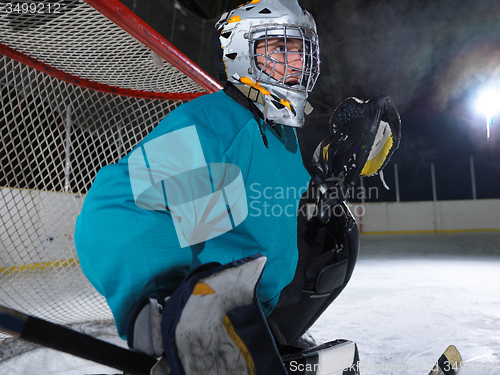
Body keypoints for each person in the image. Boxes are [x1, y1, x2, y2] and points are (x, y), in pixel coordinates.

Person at [75, 0, 400, 373]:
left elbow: (276, 210)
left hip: (260, 302)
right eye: (280, 49)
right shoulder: (218, 126)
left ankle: (276, 336)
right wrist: (161, 304)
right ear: (241, 51)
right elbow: (112, 212)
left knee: (335, 231)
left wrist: (332, 168)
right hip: (211, 321)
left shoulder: (279, 131)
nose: (297, 63)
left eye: (300, 51)